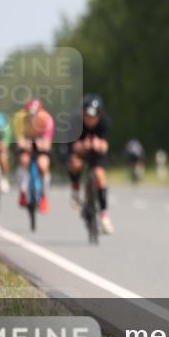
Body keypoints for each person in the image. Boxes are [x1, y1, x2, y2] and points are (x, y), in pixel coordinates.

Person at [67, 94, 114, 233]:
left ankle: (104, 215)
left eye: (93, 117)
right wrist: (82, 146)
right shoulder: (75, 123)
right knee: (75, 164)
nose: (90, 120)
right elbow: (72, 146)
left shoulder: (105, 122)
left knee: (99, 175)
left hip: (97, 153)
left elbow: (105, 146)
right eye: (87, 116)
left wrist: (97, 145)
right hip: (80, 151)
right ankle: (75, 189)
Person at [12, 98, 55, 212]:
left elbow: (47, 142)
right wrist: (24, 144)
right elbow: (19, 139)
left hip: (41, 143)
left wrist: (42, 144)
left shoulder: (47, 119)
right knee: (24, 160)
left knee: (43, 165)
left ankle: (44, 196)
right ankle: (23, 191)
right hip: (27, 142)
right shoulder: (19, 119)